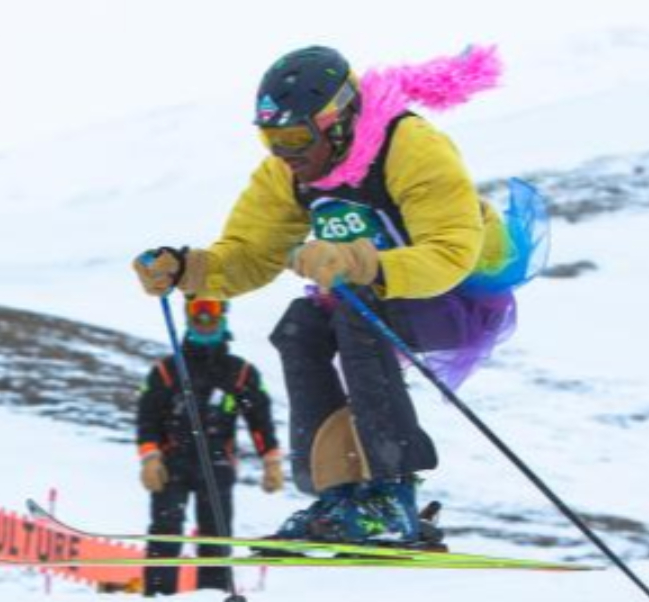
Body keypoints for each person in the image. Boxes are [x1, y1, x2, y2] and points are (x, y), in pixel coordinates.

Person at [132, 45, 533, 546]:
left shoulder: (411, 147)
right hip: (365, 294)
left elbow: (450, 254)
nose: (285, 152)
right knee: (299, 326)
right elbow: (249, 256)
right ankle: (338, 495)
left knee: (355, 314)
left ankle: (391, 497)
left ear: (339, 120)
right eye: (271, 138)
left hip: (457, 297)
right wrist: (190, 269)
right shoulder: (286, 173)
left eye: (296, 137)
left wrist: (358, 261)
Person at [136, 298, 283, 596]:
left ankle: (213, 599)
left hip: (217, 464)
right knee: (165, 532)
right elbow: (147, 416)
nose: (204, 318)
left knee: (215, 536)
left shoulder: (240, 373)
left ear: (224, 316)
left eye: (212, 310)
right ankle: (157, 600)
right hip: (171, 464)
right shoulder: (167, 371)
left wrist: (271, 461)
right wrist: (150, 456)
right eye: (197, 311)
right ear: (187, 316)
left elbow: (260, 420)